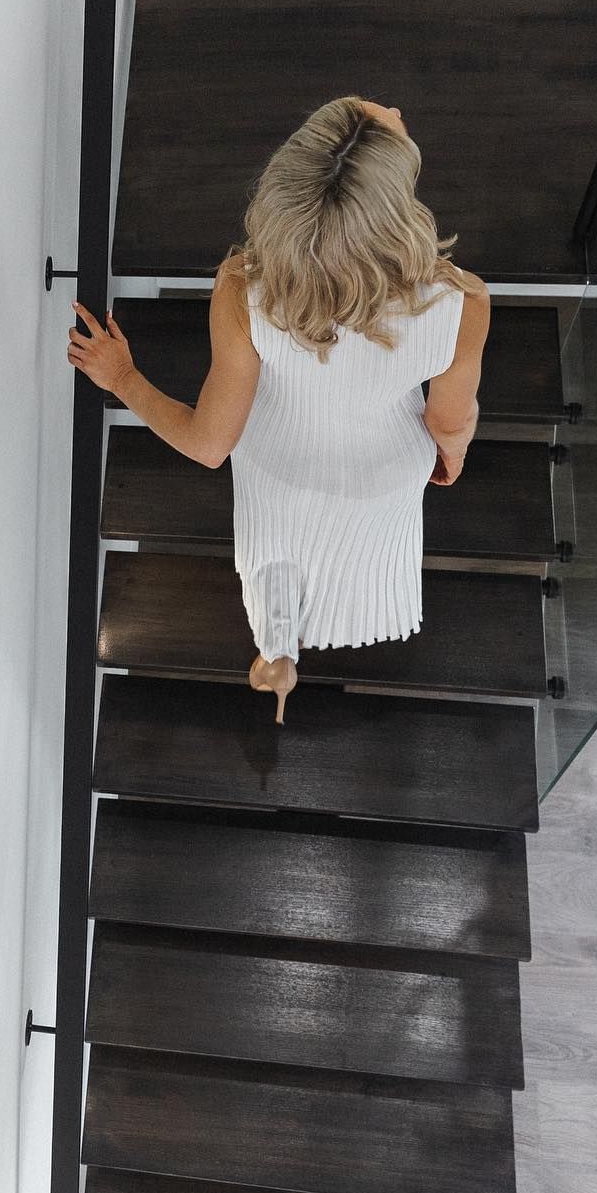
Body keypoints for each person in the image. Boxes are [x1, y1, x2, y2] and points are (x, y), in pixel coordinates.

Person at [67, 94, 490, 724]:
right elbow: (449, 421)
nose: (396, 107)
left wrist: (123, 377)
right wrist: (450, 458)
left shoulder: (245, 286)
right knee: (360, 545)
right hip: (387, 471)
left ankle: (277, 656)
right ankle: (306, 637)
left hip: (278, 465)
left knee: (275, 560)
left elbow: (209, 444)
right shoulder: (460, 301)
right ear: (396, 204)